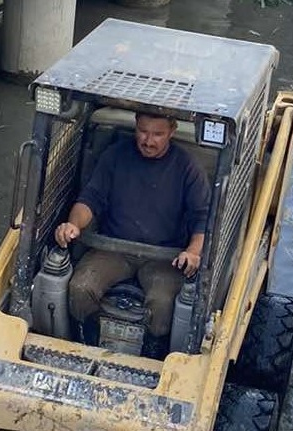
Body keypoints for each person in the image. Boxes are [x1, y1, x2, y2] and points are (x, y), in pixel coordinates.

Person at [54, 113, 211, 352]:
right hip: (114, 248)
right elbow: (90, 199)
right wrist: (73, 225)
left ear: (172, 131)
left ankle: (152, 352)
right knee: (80, 287)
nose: (148, 141)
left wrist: (192, 252)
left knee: (163, 303)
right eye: (143, 131)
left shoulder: (188, 167)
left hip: (165, 257)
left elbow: (202, 219)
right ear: (135, 126)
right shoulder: (115, 156)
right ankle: (85, 343)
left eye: (157, 134)